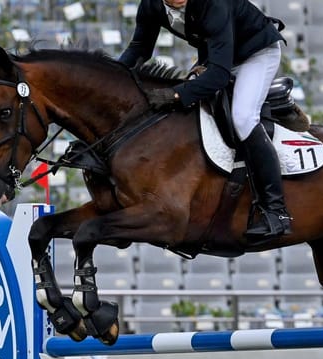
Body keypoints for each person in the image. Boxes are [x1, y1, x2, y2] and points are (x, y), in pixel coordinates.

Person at [119, 0, 293, 240]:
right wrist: (109, 75)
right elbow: (140, 48)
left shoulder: (213, 4)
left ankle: (276, 211)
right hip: (218, 55)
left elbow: (219, 76)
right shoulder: (151, 5)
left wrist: (176, 94)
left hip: (255, 53)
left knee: (243, 118)